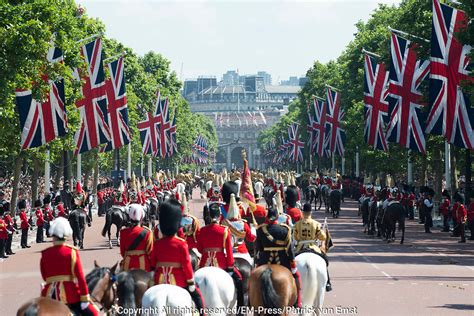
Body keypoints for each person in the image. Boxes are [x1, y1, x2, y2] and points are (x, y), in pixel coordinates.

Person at [150, 199, 205, 315]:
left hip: (158, 281)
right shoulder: (181, 243)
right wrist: (190, 282)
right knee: (198, 297)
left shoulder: (157, 244)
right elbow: (186, 265)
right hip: (179, 282)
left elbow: (152, 263)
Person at [40, 217, 99, 315]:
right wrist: (84, 297)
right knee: (94, 313)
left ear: (53, 236)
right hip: (70, 294)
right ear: (65, 235)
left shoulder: (45, 253)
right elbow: (80, 277)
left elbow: (44, 276)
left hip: (49, 295)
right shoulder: (71, 252)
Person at [196, 203, 243, 306]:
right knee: (239, 280)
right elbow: (229, 251)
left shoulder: (202, 230)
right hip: (221, 263)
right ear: (220, 216)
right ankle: (241, 308)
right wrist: (230, 265)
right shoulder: (224, 230)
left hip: (204, 264)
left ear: (209, 216)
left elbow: (199, 249)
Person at [255, 206, 301, 308]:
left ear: (267, 217)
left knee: (253, 279)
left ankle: (249, 301)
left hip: (265, 260)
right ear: (277, 217)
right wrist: (292, 262)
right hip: (282, 261)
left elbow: (259, 248)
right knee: (296, 275)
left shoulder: (261, 229)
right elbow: (289, 249)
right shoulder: (285, 229)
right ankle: (298, 303)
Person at [294, 203, 332, 291]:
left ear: (302, 212)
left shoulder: (297, 224)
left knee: (290, 262)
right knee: (325, 260)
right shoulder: (316, 224)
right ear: (311, 212)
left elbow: (295, 237)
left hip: (300, 247)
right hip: (313, 246)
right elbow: (323, 237)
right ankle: (328, 283)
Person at [221, 193, 256, 265]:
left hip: (227, 251)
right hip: (242, 251)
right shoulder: (244, 224)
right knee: (251, 265)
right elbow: (251, 238)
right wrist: (253, 228)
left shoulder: (223, 224)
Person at [119, 204, 153, 271]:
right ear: (141, 217)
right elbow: (150, 252)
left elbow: (123, 252)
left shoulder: (123, 232)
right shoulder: (147, 232)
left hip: (128, 264)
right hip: (143, 265)